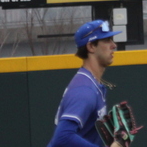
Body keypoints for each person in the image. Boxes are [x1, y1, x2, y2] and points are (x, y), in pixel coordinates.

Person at [47, 19, 123, 147]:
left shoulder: (92, 84)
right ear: (91, 46)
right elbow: (62, 137)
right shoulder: (84, 90)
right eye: (106, 40)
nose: (113, 45)